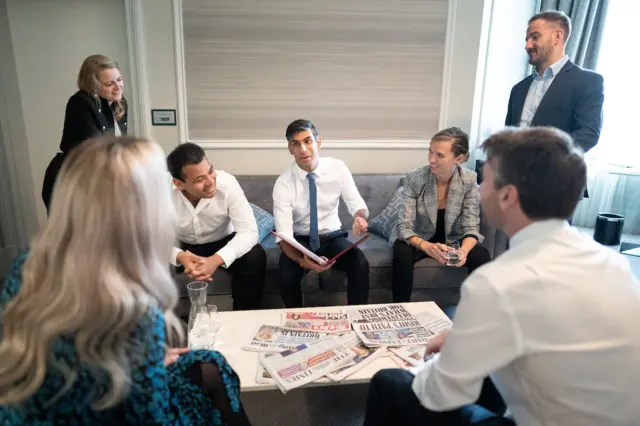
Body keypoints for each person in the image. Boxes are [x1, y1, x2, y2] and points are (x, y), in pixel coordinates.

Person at [363, 127, 640, 426]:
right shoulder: (614, 263)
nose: (479, 188)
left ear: (507, 195)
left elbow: (440, 395)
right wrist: (465, 338)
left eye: (486, 179)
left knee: (389, 382)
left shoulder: (497, 283)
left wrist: (445, 359)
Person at [0, 136, 251, 425]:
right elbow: (152, 416)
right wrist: (148, 359)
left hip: (30, 408)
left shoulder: (29, 262)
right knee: (214, 366)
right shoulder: (134, 305)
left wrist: (148, 360)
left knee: (207, 363)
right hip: (98, 412)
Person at [273, 119, 370, 308]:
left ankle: (357, 317)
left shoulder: (338, 168)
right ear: (290, 149)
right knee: (286, 274)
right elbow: (284, 235)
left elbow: (356, 204)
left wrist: (359, 217)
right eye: (296, 144)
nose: (303, 149)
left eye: (308, 141)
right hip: (299, 241)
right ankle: (295, 322)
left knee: (360, 262)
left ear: (318, 142)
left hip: (332, 237)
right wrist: (302, 261)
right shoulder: (283, 183)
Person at [393, 127, 491, 302]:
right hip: (419, 237)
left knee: (481, 255)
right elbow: (404, 226)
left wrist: (463, 251)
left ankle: (475, 313)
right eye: (430, 151)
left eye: (440, 155)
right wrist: (427, 246)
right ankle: (401, 309)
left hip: (452, 238)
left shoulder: (468, 180)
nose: (432, 159)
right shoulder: (415, 178)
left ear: (459, 159)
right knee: (401, 251)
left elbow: (471, 226)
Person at [167, 142, 266, 311]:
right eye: (199, 179)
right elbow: (147, 239)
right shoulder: (160, 190)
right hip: (180, 243)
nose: (210, 182)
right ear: (179, 183)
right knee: (144, 261)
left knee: (255, 256)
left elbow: (249, 232)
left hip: (222, 240)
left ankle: (242, 318)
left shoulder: (227, 183)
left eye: (210, 171)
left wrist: (215, 260)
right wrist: (179, 256)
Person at [505, 10, 604, 154]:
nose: (528, 45)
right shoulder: (518, 89)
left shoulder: (588, 82)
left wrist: (546, 156)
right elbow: (507, 135)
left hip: (555, 174)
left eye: (534, 37)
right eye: (527, 39)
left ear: (557, 37)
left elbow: (588, 134)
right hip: (512, 174)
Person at [42, 54, 129, 214]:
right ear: (93, 85)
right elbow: (98, 149)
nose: (118, 87)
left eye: (119, 80)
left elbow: (118, 145)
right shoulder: (80, 103)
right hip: (74, 179)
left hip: (100, 176)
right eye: (109, 83)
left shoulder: (120, 102)